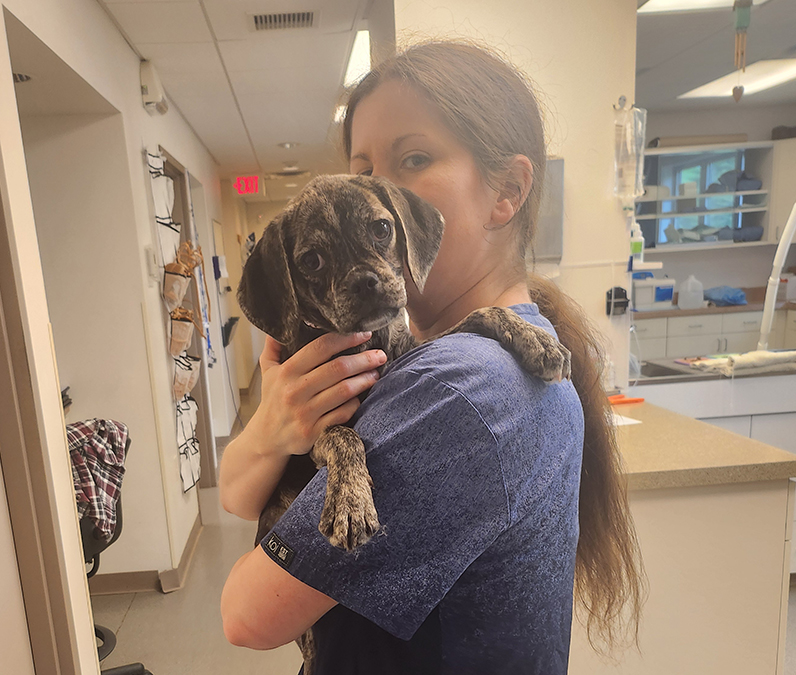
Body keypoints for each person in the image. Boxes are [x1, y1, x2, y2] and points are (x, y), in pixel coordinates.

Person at [219, 40, 644, 674]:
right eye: (364, 172)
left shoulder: (460, 393)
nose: (381, 192)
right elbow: (234, 493)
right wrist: (274, 427)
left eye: (414, 157)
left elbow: (244, 615)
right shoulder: (471, 353)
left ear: (507, 189)